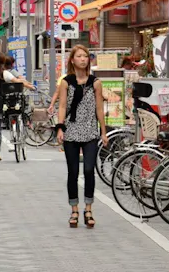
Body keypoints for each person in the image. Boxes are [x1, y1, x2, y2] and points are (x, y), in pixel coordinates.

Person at [56, 44, 108, 229]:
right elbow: (62, 106)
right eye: (79, 56)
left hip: (90, 131)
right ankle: (74, 209)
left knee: (88, 170)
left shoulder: (95, 82)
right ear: (72, 60)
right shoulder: (66, 82)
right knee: (73, 172)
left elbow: (99, 108)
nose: (83, 59)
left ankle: (88, 209)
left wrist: (103, 131)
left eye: (85, 56)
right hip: (70, 131)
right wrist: (60, 128)